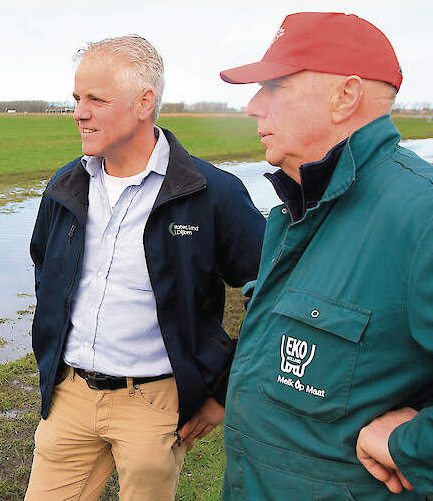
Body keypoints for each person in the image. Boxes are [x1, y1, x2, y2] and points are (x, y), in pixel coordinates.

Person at [219, 12, 433, 500]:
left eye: (274, 87)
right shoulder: (298, 210)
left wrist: (416, 447)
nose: (253, 106)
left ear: (345, 96)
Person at [26, 35, 265, 500]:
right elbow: (45, 271)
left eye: (96, 99)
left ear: (144, 102)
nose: (79, 112)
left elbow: (273, 296)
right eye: (77, 98)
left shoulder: (212, 193)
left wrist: (223, 393)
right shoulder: (65, 185)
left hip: (154, 403)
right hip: (69, 397)